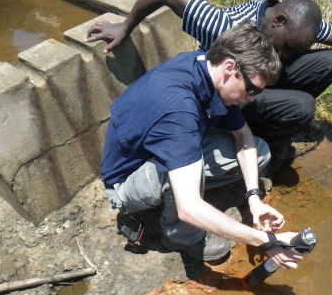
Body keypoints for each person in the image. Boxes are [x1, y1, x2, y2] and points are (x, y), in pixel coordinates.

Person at [86, 0, 332, 151]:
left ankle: (278, 118)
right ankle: (267, 145)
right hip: (231, 95)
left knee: (330, 60)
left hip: (261, 77)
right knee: (303, 106)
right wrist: (125, 27)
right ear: (278, 21)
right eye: (288, 49)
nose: (289, 56)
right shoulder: (225, 26)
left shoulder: (298, 27)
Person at [100, 22, 305, 266]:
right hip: (126, 181)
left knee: (259, 151)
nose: (251, 98)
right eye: (251, 89)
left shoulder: (207, 70)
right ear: (230, 67)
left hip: (164, 147)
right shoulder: (178, 109)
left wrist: (254, 199)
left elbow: (243, 135)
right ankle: (179, 236)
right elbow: (188, 207)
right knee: (184, 179)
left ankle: (187, 195)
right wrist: (265, 240)